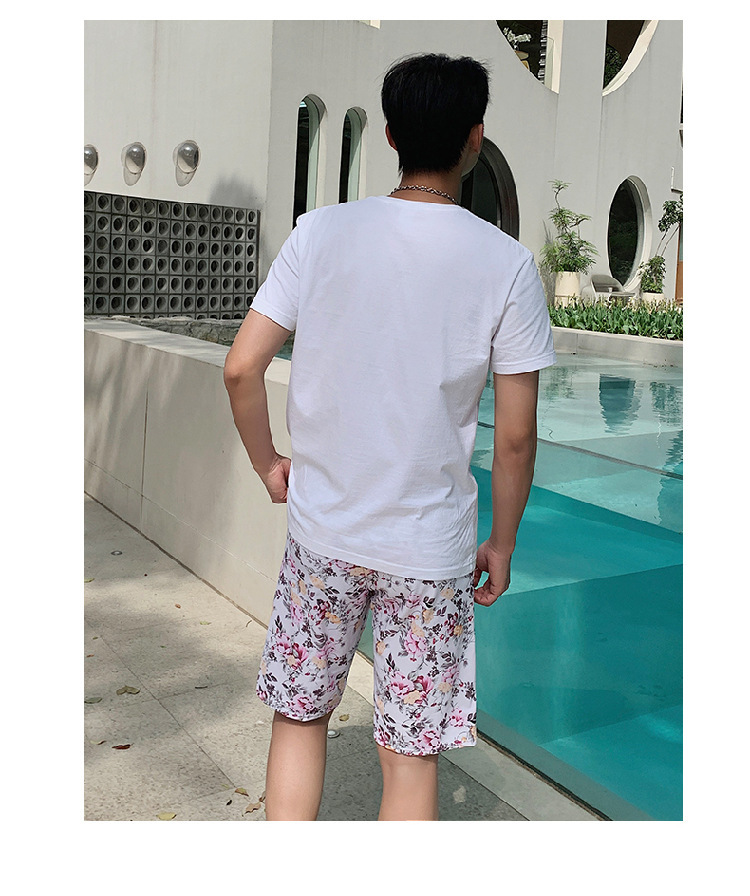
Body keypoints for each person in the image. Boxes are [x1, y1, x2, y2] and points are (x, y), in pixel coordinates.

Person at [223, 52, 556, 821]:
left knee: (300, 718)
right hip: (429, 552)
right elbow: (515, 438)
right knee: (409, 758)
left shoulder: (321, 233)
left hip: (323, 535)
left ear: (389, 134)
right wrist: (502, 542)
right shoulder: (508, 266)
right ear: (475, 140)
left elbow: (241, 368)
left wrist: (269, 463)